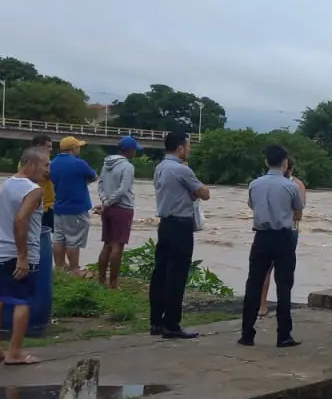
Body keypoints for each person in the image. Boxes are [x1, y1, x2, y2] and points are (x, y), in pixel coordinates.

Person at [0, 145, 48, 367]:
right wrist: (23, 256)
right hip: (19, 253)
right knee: (22, 302)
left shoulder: (7, 184)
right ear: (31, 164)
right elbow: (20, 220)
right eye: (45, 165)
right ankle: (15, 352)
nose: (47, 170)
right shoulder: (33, 190)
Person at [240, 145, 305, 348]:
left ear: (266, 162)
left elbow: (251, 205)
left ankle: (247, 334)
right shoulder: (291, 186)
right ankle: (283, 335)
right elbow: (298, 209)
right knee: (284, 286)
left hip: (261, 236)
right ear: (285, 163)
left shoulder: (254, 184)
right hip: (283, 237)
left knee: (254, 284)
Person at [149, 130, 211, 340]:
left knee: (160, 274)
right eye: (189, 145)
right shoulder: (182, 170)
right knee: (177, 275)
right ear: (180, 148)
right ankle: (172, 324)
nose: (190, 149)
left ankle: (156, 321)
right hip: (180, 225)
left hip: (165, 224)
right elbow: (205, 193)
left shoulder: (159, 168)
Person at [259, 155, 307, 316]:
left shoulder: (262, 182)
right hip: (289, 230)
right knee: (284, 271)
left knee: (266, 269)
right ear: (288, 167)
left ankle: (262, 305)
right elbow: (299, 213)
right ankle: (280, 307)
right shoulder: (296, 185)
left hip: (268, 230)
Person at [95, 136, 142, 290]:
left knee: (107, 244)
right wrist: (109, 203)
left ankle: (101, 280)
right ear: (129, 151)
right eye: (135, 150)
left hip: (107, 208)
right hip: (122, 208)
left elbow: (100, 184)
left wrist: (105, 201)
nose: (136, 152)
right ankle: (113, 283)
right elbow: (123, 189)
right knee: (118, 246)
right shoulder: (127, 167)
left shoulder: (106, 163)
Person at [49, 136, 97, 277]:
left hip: (58, 206)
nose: (79, 149)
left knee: (58, 238)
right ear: (73, 149)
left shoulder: (53, 163)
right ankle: (75, 269)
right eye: (78, 147)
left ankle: (59, 267)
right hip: (76, 207)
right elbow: (94, 176)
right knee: (73, 240)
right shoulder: (79, 163)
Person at [30, 134, 57, 234]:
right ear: (38, 146)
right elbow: (51, 175)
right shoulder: (37, 163)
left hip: (45, 206)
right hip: (43, 207)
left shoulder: (27, 161)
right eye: (48, 146)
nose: (51, 149)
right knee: (46, 238)